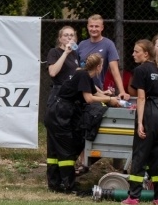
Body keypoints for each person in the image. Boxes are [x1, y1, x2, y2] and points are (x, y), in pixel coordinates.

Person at [44, 52, 120, 194]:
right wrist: (109, 100)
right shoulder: (83, 75)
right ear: (99, 66)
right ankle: (68, 185)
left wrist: (112, 99)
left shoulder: (84, 75)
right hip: (60, 114)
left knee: (55, 150)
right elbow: (89, 99)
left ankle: (55, 183)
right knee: (66, 149)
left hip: (57, 111)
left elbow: (95, 93)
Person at [121, 40, 158, 205]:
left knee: (140, 154)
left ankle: (133, 197)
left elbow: (141, 97)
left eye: (137, 51)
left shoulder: (141, 70)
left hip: (149, 112)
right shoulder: (156, 68)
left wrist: (141, 122)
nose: (133, 54)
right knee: (156, 157)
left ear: (146, 54)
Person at [45, 26, 81, 191]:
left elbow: (78, 76)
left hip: (71, 101)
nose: (69, 38)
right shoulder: (55, 52)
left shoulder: (76, 55)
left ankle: (58, 182)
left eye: (72, 35)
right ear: (60, 38)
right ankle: (62, 183)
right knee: (60, 142)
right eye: (66, 35)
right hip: (58, 101)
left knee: (63, 143)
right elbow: (53, 72)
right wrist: (65, 53)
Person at [77, 14, 128, 99]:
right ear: (87, 27)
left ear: (102, 28)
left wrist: (122, 91)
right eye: (91, 26)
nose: (94, 29)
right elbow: (76, 68)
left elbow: (114, 69)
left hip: (97, 90)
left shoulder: (108, 44)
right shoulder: (81, 45)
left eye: (97, 26)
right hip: (81, 88)